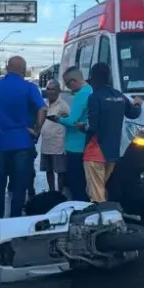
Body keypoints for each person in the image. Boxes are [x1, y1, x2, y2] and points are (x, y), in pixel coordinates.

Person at [0, 56, 46, 218]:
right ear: (23, 70)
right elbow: (42, 109)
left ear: (7, 68)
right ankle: (15, 218)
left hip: (0, 143)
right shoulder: (29, 87)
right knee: (20, 184)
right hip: (23, 142)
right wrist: (36, 130)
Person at [81, 62, 142, 203]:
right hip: (113, 153)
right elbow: (133, 113)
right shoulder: (119, 96)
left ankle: (101, 215)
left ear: (94, 79)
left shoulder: (94, 97)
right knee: (100, 188)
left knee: (96, 194)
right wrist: (138, 104)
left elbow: (92, 127)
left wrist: (81, 127)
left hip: (95, 151)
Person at [57, 66, 92, 201]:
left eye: (67, 84)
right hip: (87, 144)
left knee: (76, 184)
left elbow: (73, 121)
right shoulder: (91, 90)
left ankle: (79, 209)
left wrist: (58, 119)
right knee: (86, 183)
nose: (68, 88)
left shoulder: (81, 94)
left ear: (73, 81)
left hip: (75, 146)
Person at [40, 79, 69, 192]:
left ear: (58, 90)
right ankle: (52, 192)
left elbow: (70, 121)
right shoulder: (44, 104)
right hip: (46, 144)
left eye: (53, 89)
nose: (50, 91)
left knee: (60, 171)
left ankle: (59, 193)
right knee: (48, 170)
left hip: (58, 145)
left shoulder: (63, 105)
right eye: (48, 89)